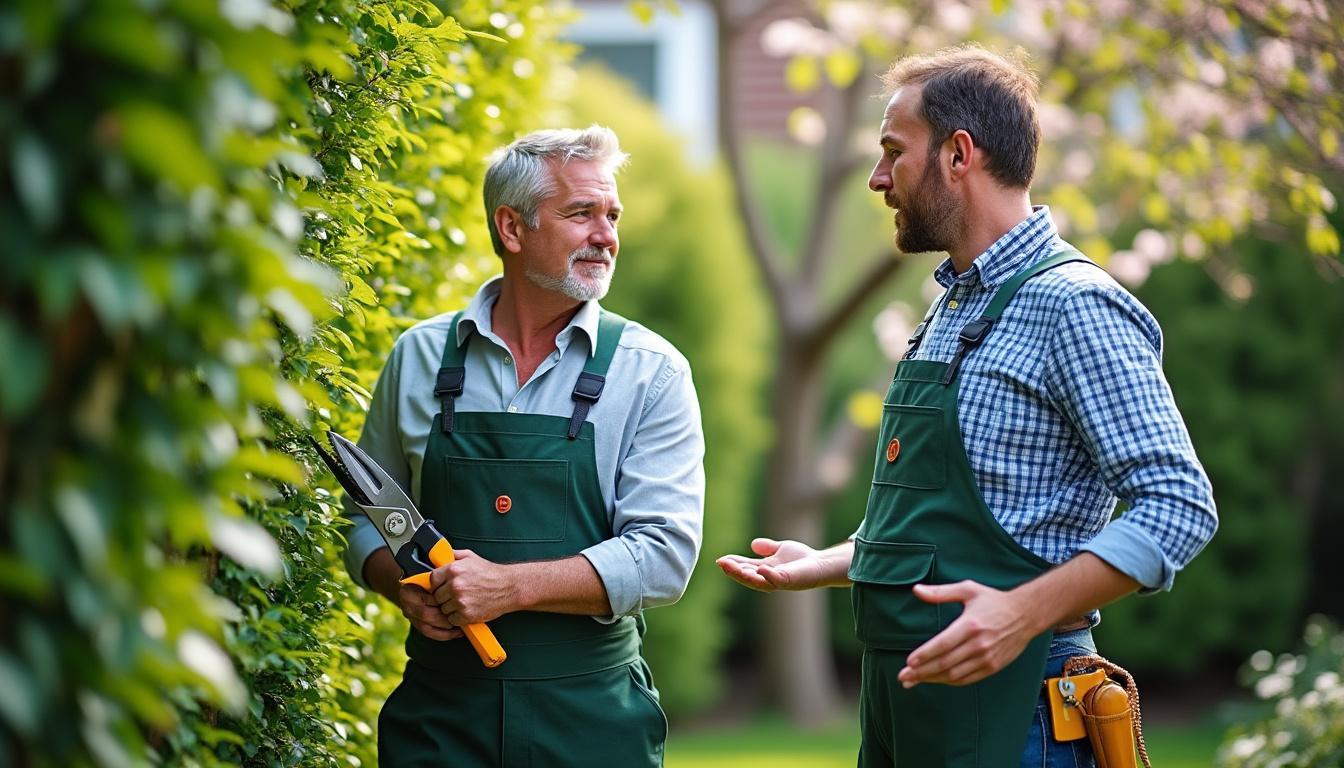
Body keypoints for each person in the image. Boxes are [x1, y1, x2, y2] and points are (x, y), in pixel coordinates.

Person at [718, 46, 1216, 767]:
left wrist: (1022, 612)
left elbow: (1178, 505)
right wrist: (834, 560)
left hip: (1020, 708)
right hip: (907, 709)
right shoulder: (952, 306)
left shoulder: (1074, 306)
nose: (876, 177)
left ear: (958, 154)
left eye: (893, 151)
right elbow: (955, 529)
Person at [343, 126, 705, 767]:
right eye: (581, 214)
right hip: (439, 723)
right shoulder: (420, 357)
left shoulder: (652, 370)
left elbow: (664, 556)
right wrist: (400, 584)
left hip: (592, 722)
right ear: (511, 228)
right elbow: (368, 521)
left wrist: (509, 588)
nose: (606, 236)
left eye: (612, 215)